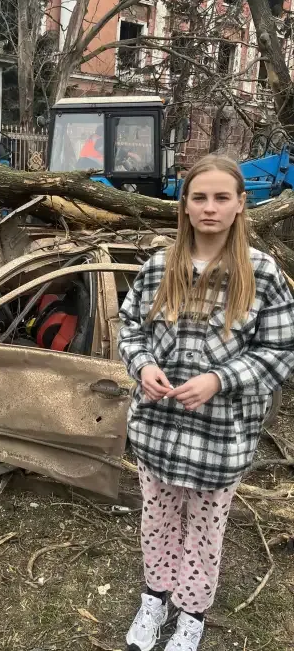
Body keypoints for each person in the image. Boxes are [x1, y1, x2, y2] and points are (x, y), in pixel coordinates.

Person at [118, 154, 294, 651]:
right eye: (199, 197)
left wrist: (220, 379)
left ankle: (191, 613)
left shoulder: (262, 274)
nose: (209, 207)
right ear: (185, 205)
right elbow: (129, 329)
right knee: (156, 521)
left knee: (205, 531)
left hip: (220, 441)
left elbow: (281, 352)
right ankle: (155, 598)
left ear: (241, 204)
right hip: (156, 432)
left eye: (221, 197)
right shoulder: (159, 267)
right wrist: (143, 366)